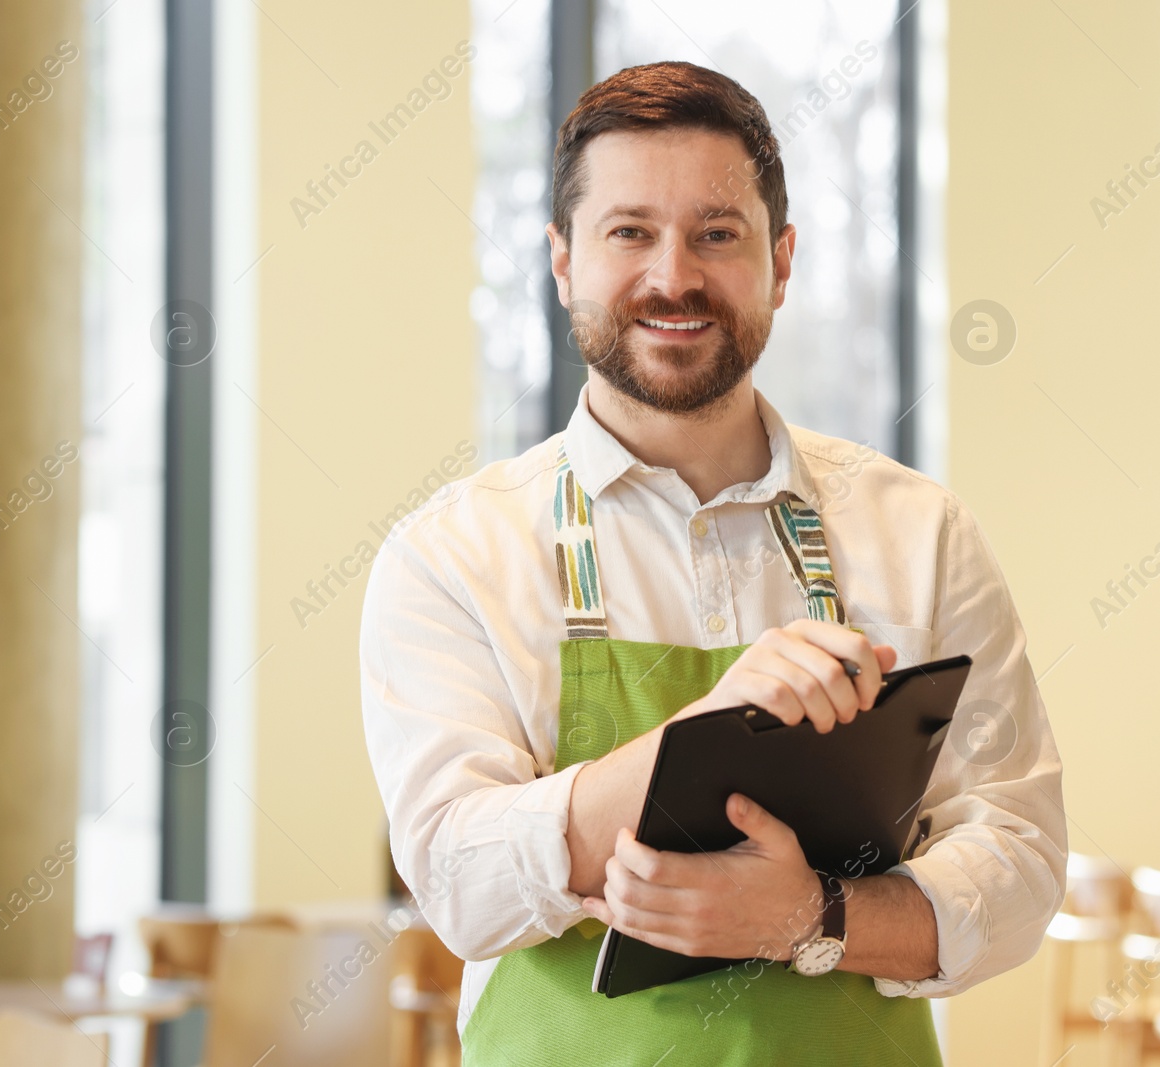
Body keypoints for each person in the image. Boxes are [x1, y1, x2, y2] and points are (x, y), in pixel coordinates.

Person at [360, 60, 1067, 1066]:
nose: (673, 276)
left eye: (717, 233)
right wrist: (698, 741)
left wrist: (811, 914)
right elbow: (458, 882)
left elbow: (1022, 863)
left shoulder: (923, 532)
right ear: (562, 259)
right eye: (628, 231)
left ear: (782, 260)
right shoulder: (452, 553)